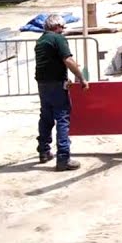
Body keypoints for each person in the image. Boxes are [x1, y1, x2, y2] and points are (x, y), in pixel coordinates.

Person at [35, 14, 89, 171]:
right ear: (56, 26)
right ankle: (63, 158)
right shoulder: (58, 39)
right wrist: (81, 77)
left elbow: (50, 62)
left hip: (43, 83)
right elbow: (68, 60)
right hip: (57, 84)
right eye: (62, 27)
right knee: (62, 118)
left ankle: (44, 151)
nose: (64, 30)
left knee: (46, 117)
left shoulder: (41, 40)